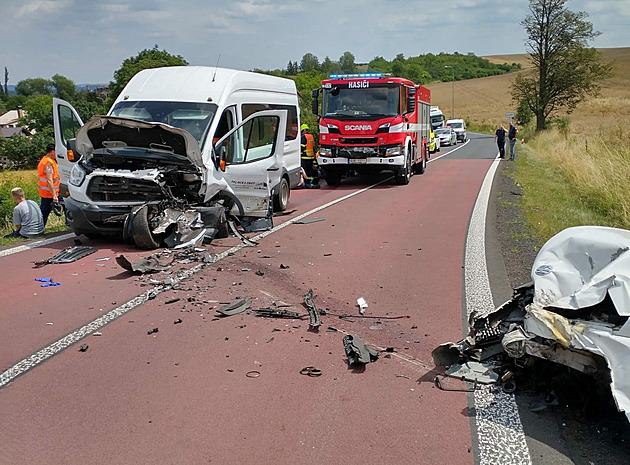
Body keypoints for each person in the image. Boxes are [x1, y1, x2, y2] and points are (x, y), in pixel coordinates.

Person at [37, 143, 60, 227]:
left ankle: (38, 228)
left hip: (50, 192)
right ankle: (38, 228)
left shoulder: (46, 160)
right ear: (53, 152)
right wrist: (54, 195)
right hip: (49, 193)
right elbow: (49, 180)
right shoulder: (48, 163)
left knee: (44, 211)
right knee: (44, 212)